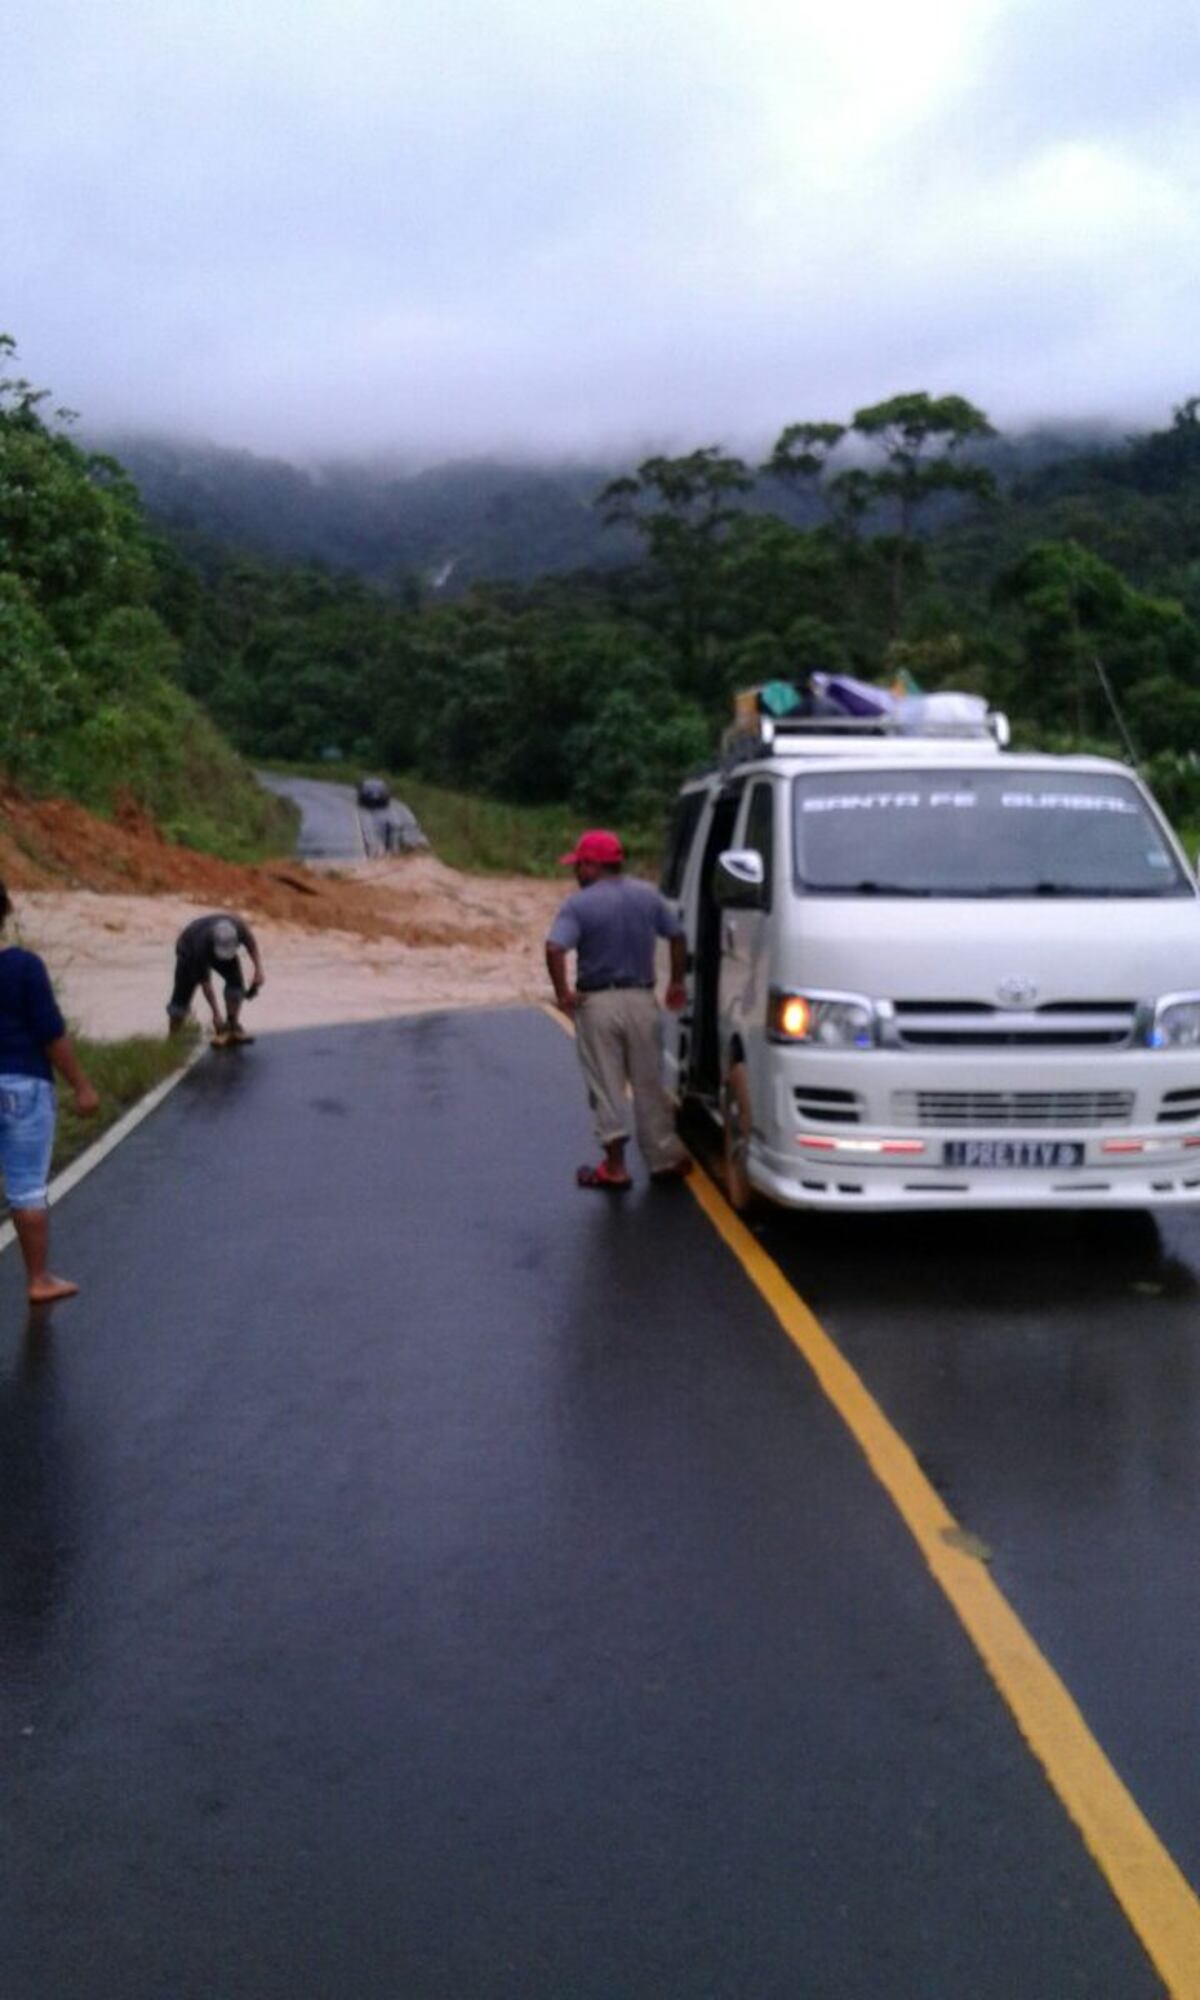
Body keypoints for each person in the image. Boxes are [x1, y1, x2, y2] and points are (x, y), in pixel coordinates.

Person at [545, 828, 692, 1190]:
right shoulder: (648, 895)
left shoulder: (578, 905)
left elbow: (554, 948)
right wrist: (675, 982)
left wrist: (563, 994)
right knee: (649, 1081)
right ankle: (663, 1159)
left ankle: (614, 1167)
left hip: (598, 1003)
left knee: (606, 1084)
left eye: (579, 865)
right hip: (643, 999)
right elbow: (677, 935)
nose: (575, 872)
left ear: (593, 865)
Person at [0, 881, 99, 1302]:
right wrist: (81, 1085)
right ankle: (38, 1280)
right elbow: (50, 1033)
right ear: (4, 912)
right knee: (25, 1186)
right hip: (23, 1084)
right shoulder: (22, 967)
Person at [167, 912, 264, 1045]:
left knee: (235, 982)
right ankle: (173, 1039)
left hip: (211, 943)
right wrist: (216, 1014)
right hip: (187, 950)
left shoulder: (239, 927)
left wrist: (258, 970)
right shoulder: (199, 946)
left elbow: (252, 945)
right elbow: (206, 985)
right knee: (182, 994)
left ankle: (232, 1026)